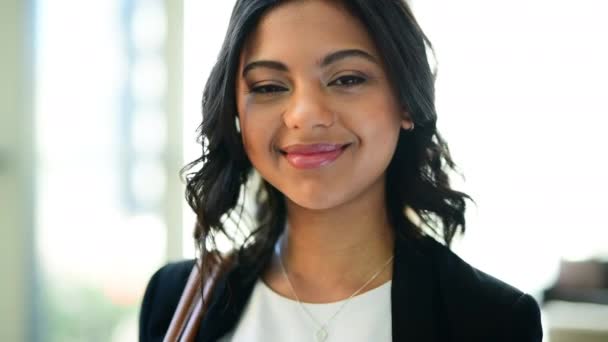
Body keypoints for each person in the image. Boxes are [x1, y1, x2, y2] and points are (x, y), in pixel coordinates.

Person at [139, 0, 543, 341]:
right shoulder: (176, 298)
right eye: (269, 87)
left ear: (405, 100)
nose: (306, 115)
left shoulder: (493, 319)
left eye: (347, 78)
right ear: (235, 111)